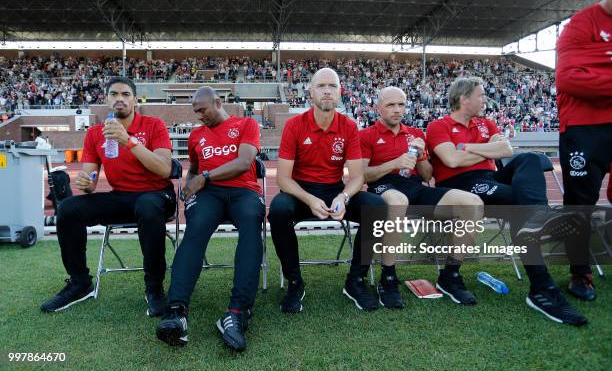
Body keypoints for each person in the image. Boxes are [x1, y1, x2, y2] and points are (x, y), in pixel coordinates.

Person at [426, 77, 587, 326]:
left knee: (531, 159)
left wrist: (466, 147)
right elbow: (452, 161)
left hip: (492, 178)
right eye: (480, 95)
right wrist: (485, 149)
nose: (485, 100)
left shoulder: (486, 123)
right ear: (463, 98)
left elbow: (507, 150)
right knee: (517, 206)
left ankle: (537, 216)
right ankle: (541, 287)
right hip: (461, 185)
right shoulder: (439, 126)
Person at [40, 77, 176, 316]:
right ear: (106, 99)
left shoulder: (154, 125)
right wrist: (86, 182)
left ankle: (154, 288)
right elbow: (90, 179)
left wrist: (128, 141)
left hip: (157, 196)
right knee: (70, 208)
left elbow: (165, 169)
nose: (120, 99)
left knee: (146, 205)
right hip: (122, 197)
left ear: (135, 99)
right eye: (114, 94)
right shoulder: (95, 133)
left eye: (125, 94)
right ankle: (79, 282)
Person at [268, 68, 387, 313]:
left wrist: (344, 197)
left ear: (339, 92)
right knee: (278, 210)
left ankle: (355, 281)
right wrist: (309, 199)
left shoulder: (348, 126)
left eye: (332, 86)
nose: (327, 91)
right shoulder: (294, 125)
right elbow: (282, 179)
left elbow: (357, 177)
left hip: (335, 191)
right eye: (321, 86)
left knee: (376, 207)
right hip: (300, 192)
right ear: (310, 91)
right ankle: (295, 282)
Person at [155, 87, 265, 352]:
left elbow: (244, 161)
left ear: (218, 102)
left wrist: (206, 177)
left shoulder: (246, 124)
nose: (199, 116)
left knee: (251, 224)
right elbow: (193, 169)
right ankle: (176, 312)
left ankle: (237, 313)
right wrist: (189, 184)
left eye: (202, 110)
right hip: (209, 195)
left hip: (243, 191)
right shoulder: (196, 136)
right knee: (196, 228)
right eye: (195, 112)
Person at [360, 86, 484, 307]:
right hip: (384, 187)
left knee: (472, 203)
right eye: (390, 105)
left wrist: (421, 155)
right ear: (378, 108)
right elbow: (362, 175)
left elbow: (427, 175)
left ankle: (451, 275)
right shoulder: (366, 135)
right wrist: (394, 164)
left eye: (401, 105)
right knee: (399, 201)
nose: (397, 110)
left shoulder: (416, 134)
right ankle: (388, 276)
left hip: (416, 187)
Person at [555, 0, 612, 301]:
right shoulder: (581, 24)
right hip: (584, 128)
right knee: (579, 205)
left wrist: (600, 72)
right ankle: (580, 273)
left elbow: (589, 78)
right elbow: (570, 79)